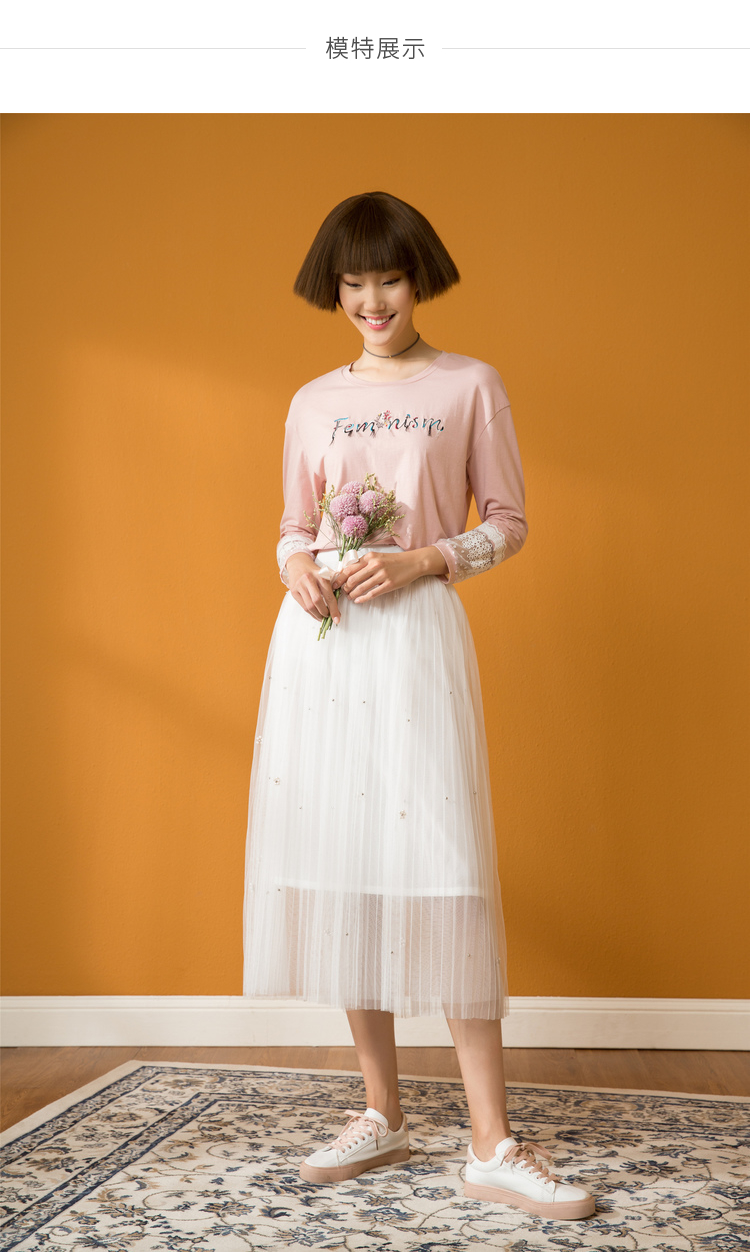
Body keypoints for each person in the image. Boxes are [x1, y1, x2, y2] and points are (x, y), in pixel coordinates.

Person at [242, 191, 596, 1221]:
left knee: (444, 871)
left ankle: (492, 1141)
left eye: (388, 279)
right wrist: (294, 566)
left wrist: (423, 559)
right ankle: (381, 1111)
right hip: (322, 649)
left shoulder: (469, 385)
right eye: (352, 283)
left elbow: (508, 522)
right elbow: (291, 524)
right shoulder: (313, 399)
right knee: (348, 865)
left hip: (415, 639)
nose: (372, 302)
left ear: (419, 278)